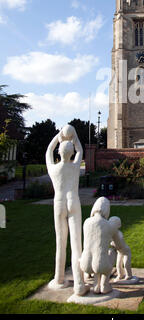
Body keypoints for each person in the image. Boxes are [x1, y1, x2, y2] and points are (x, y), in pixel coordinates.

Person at [46, 124, 88, 296]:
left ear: (59, 153)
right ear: (71, 153)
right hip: (73, 202)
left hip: (59, 203)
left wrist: (59, 136)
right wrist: (73, 136)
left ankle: (59, 278)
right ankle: (79, 283)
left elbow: (48, 151)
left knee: (60, 242)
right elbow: (80, 150)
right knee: (76, 243)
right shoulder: (75, 165)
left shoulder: (54, 168)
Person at [80, 197, 119, 294]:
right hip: (101, 265)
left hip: (85, 265)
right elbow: (115, 236)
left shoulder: (86, 222)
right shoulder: (108, 225)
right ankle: (104, 285)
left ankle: (95, 285)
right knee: (112, 252)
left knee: (96, 254)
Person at [109, 217, 133, 281]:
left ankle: (129, 275)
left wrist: (112, 243)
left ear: (118, 226)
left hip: (126, 252)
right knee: (118, 265)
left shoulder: (119, 234)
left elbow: (119, 244)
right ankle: (120, 275)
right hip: (119, 252)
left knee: (126, 264)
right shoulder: (112, 234)